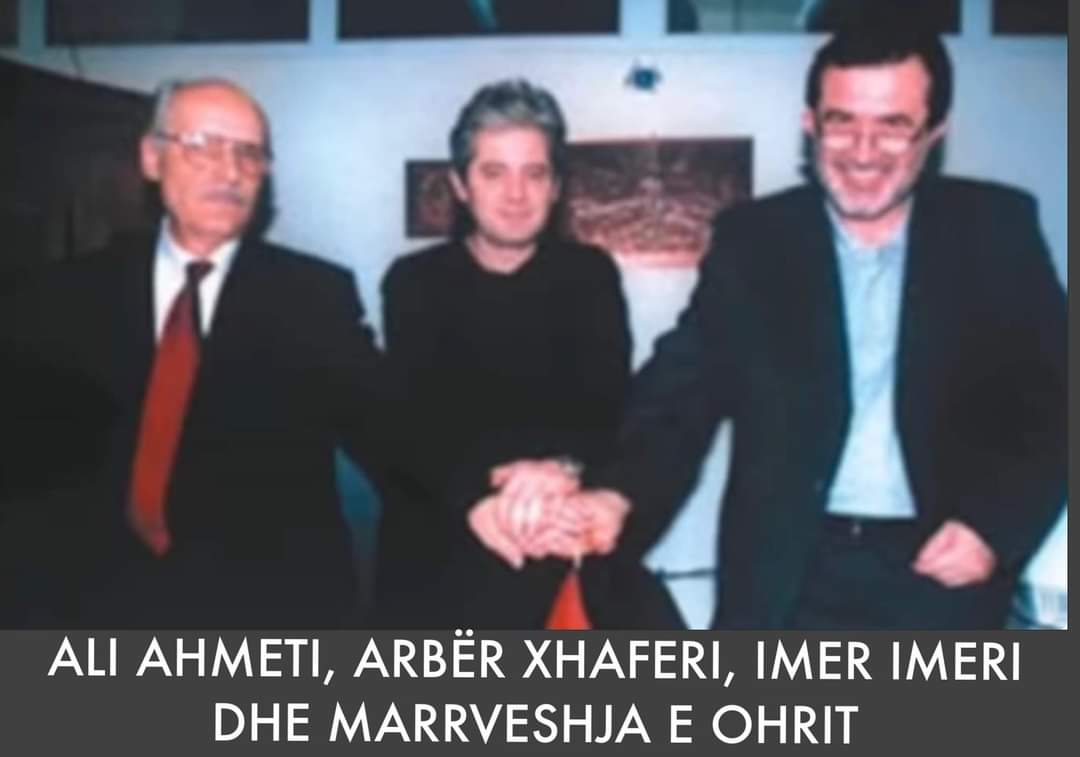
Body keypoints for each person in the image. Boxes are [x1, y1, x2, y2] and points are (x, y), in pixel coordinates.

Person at [481, 28, 1067, 629]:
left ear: (936, 131)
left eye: (893, 125)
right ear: (810, 124)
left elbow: (1054, 403)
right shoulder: (755, 241)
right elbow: (679, 395)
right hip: (785, 577)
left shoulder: (996, 229)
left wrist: (995, 527)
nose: (863, 152)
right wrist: (615, 494)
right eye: (841, 122)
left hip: (942, 573)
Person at [1, 78, 391, 627]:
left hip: (264, 615)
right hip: (96, 608)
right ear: (152, 158)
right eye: (203, 147)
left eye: (249, 154)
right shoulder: (62, 297)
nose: (230, 172)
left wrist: (491, 486)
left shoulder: (314, 297)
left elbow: (392, 426)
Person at [375, 79, 675, 628]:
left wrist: (560, 473)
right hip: (452, 535)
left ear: (556, 187)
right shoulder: (415, 281)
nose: (516, 194)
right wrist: (493, 498)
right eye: (494, 173)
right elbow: (417, 430)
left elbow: (608, 410)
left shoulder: (589, 275)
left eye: (534, 174)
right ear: (459, 185)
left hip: (569, 528)